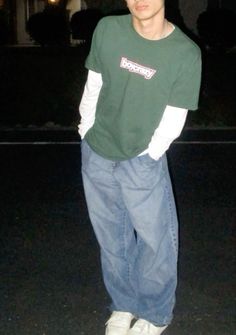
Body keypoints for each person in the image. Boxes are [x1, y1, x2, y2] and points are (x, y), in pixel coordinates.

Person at [78, 1, 202, 334]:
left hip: (141, 159)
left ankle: (155, 312)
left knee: (155, 241)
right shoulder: (108, 30)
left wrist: (150, 154)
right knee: (111, 238)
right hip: (97, 152)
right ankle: (123, 304)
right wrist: (86, 131)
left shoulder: (184, 52)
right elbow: (94, 84)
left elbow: (175, 117)